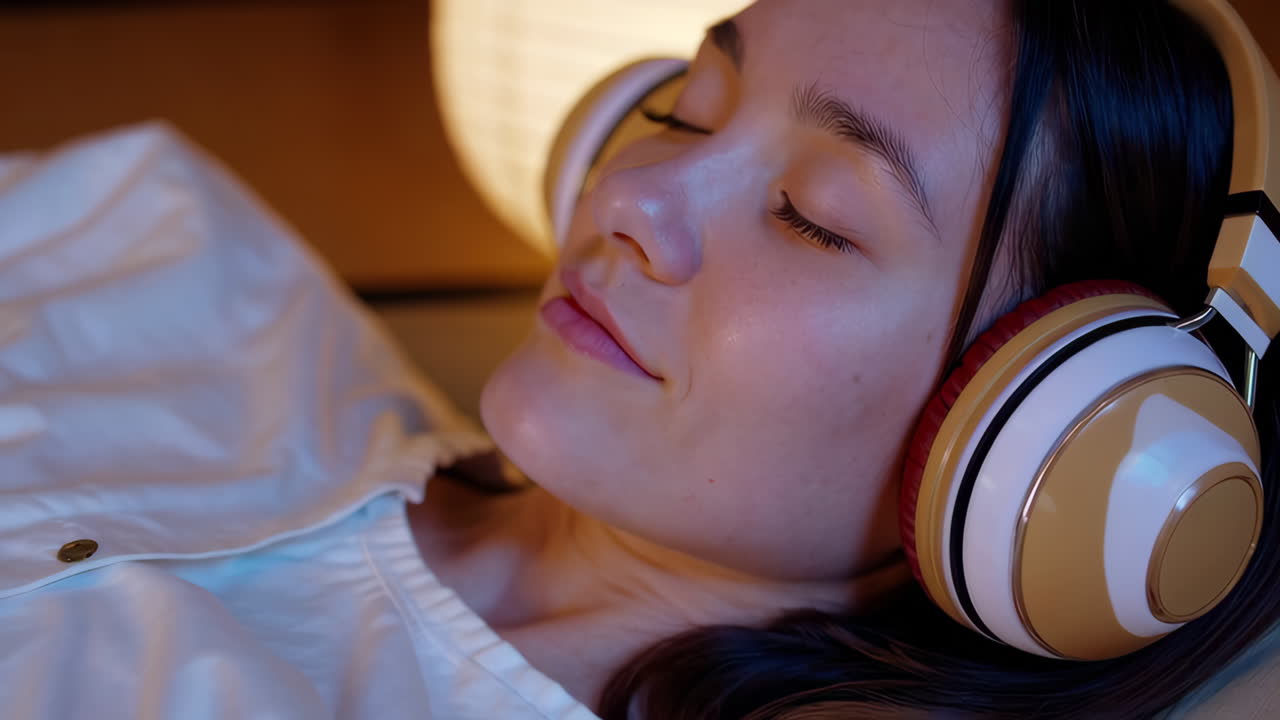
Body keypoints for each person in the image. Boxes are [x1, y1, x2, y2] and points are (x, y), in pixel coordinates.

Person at [1, 1, 1276, 720]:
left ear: (1054, 435)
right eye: (685, 107)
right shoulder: (179, 247)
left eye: (812, 215)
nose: (637, 195)